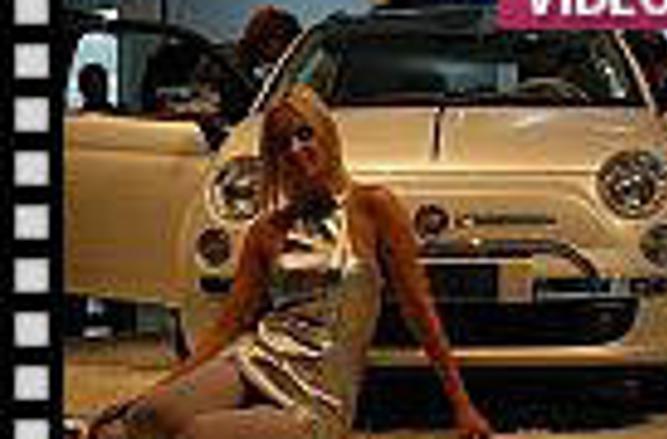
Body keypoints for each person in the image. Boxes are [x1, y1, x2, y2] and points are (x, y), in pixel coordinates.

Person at [88, 83, 492, 439]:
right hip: (257, 360)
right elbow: (226, 328)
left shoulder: (373, 207)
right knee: (143, 418)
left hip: (314, 396)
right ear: (274, 159)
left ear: (327, 135)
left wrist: (462, 406)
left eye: (304, 134)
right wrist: (148, 393)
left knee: (200, 434)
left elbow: (418, 309)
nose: (296, 149)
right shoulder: (267, 230)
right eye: (282, 144)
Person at [222, 6, 302, 123]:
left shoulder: (251, 69)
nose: (287, 52)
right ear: (268, 40)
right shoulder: (229, 69)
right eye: (286, 42)